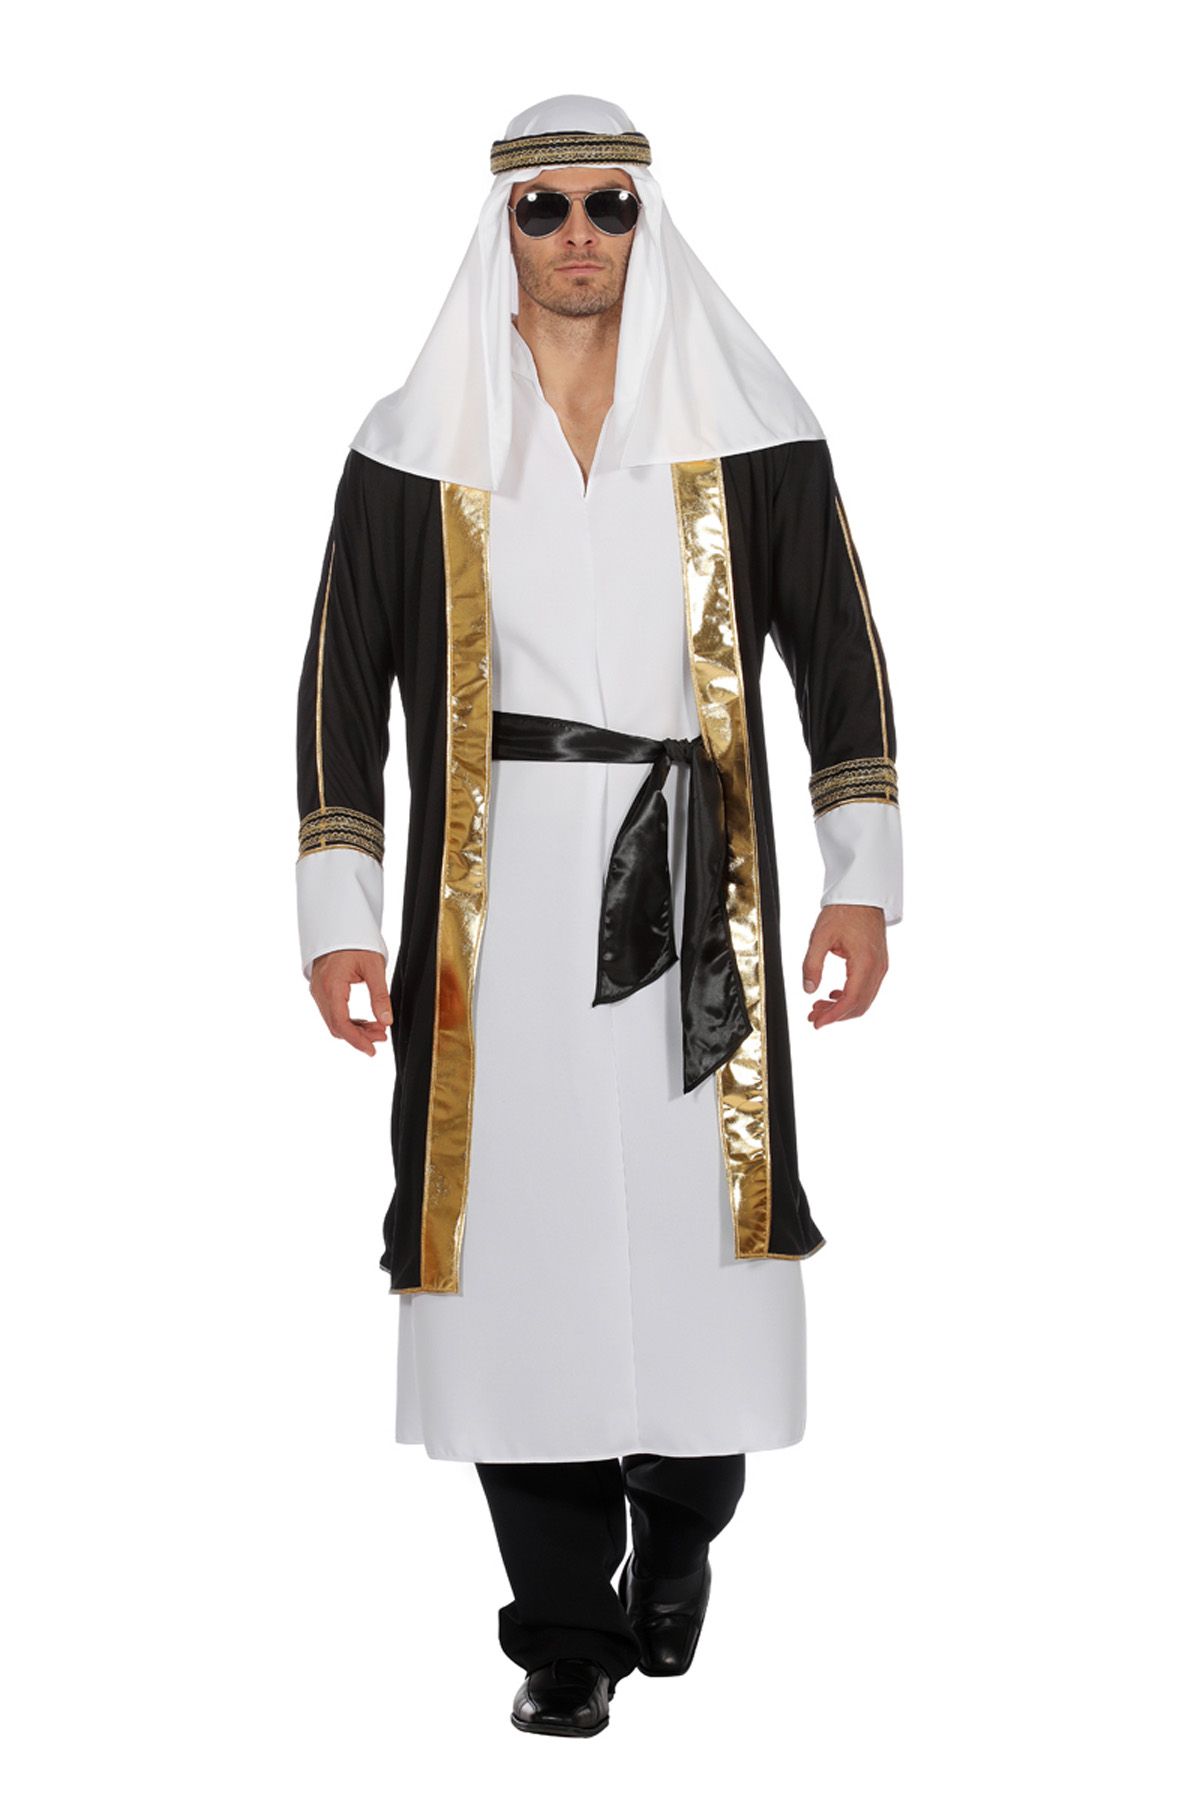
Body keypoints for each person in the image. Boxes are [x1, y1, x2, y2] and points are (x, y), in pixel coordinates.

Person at [294, 93, 903, 1737]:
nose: (578, 236)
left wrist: (861, 883)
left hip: (700, 880)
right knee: (517, 1239)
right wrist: (341, 912)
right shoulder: (412, 442)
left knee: (706, 1228)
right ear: (502, 226)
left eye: (607, 205)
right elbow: (342, 689)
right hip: (492, 902)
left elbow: (839, 656)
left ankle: (682, 1523)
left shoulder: (748, 426)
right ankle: (563, 1627)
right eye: (546, 207)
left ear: (646, 218)